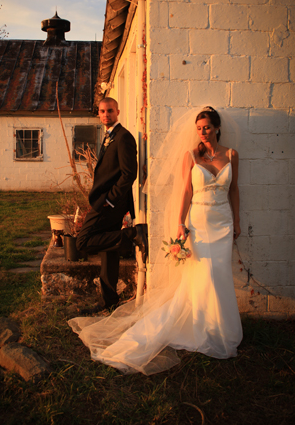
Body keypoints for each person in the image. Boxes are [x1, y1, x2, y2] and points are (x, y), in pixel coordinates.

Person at [68, 106, 243, 374]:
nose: (203, 132)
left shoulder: (232, 155)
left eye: (207, 127)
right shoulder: (192, 157)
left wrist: (238, 222)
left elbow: (234, 190)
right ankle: (201, 325)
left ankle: (220, 329)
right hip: (199, 221)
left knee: (219, 274)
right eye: (199, 128)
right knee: (203, 273)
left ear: (217, 128)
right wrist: (180, 223)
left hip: (223, 222)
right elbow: (186, 190)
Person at [76, 97, 148, 314]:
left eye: (109, 111)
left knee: (83, 241)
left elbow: (129, 174)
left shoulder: (124, 137)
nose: (105, 115)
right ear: (98, 113)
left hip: (110, 203)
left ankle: (133, 234)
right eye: (102, 111)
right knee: (109, 251)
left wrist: (110, 200)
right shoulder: (110, 136)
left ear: (118, 111)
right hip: (106, 201)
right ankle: (109, 302)